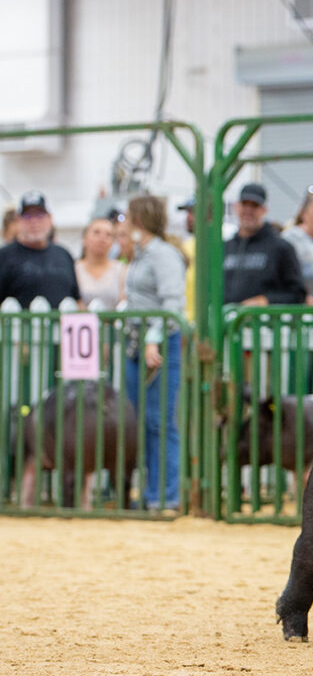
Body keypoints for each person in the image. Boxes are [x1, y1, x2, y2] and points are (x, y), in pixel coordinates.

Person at [118, 195, 186, 512]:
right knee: (143, 421)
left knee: (160, 421)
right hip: (137, 341)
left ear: (138, 219)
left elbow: (172, 304)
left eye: (127, 216)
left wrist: (153, 338)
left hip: (159, 342)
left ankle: (166, 495)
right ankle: (150, 493)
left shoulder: (163, 255)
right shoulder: (140, 255)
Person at [223, 183, 306, 306]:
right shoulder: (225, 248)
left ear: (264, 210)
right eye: (245, 204)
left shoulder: (281, 248)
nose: (248, 211)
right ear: (237, 207)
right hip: (227, 322)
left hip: (264, 322)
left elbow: (297, 294)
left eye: (254, 205)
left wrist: (265, 300)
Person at [0, 191, 81, 309]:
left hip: (62, 326)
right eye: (27, 216)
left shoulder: (64, 254)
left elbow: (77, 299)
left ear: (50, 219)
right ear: (18, 220)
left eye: (39, 215)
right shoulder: (4, 256)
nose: (34, 222)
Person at [75, 217, 126, 310]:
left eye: (108, 235)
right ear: (84, 238)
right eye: (96, 233)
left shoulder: (121, 269)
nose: (102, 238)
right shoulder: (74, 268)